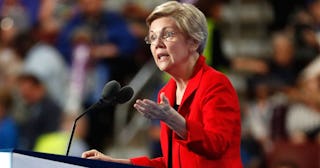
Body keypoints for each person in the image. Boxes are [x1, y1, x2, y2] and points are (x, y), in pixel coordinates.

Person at [82, 1, 242, 168]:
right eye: (152, 37)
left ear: (193, 41)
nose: (156, 44)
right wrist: (114, 163)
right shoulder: (167, 92)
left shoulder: (215, 84)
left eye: (167, 35)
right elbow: (170, 163)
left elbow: (216, 146)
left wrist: (174, 120)